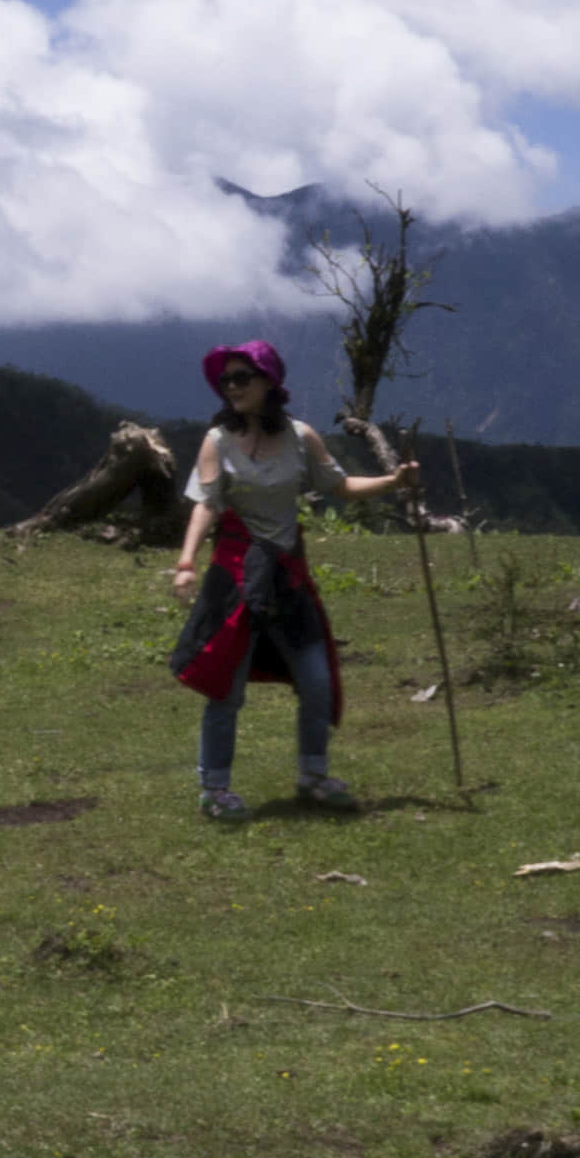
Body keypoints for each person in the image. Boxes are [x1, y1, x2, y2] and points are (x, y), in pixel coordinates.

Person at [164, 339, 423, 820]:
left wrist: (395, 482)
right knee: (226, 684)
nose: (233, 387)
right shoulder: (217, 441)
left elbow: (340, 487)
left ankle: (313, 776)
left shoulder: (302, 437)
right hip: (235, 574)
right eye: (227, 380)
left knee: (317, 680)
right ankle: (214, 789)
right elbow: (206, 502)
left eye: (243, 377)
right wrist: (186, 563)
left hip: (287, 573)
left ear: (269, 383)